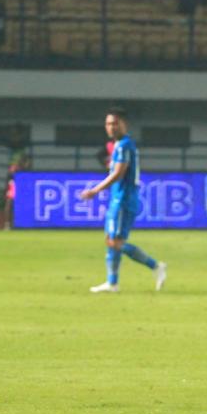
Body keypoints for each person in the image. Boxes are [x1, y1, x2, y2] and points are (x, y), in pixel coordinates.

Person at [80, 107, 167, 293]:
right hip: (118, 198)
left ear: (123, 124)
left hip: (124, 199)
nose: (111, 127)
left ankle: (155, 266)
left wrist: (95, 190)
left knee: (116, 242)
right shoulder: (121, 145)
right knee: (111, 240)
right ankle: (112, 282)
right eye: (108, 124)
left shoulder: (125, 145)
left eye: (114, 123)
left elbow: (119, 173)